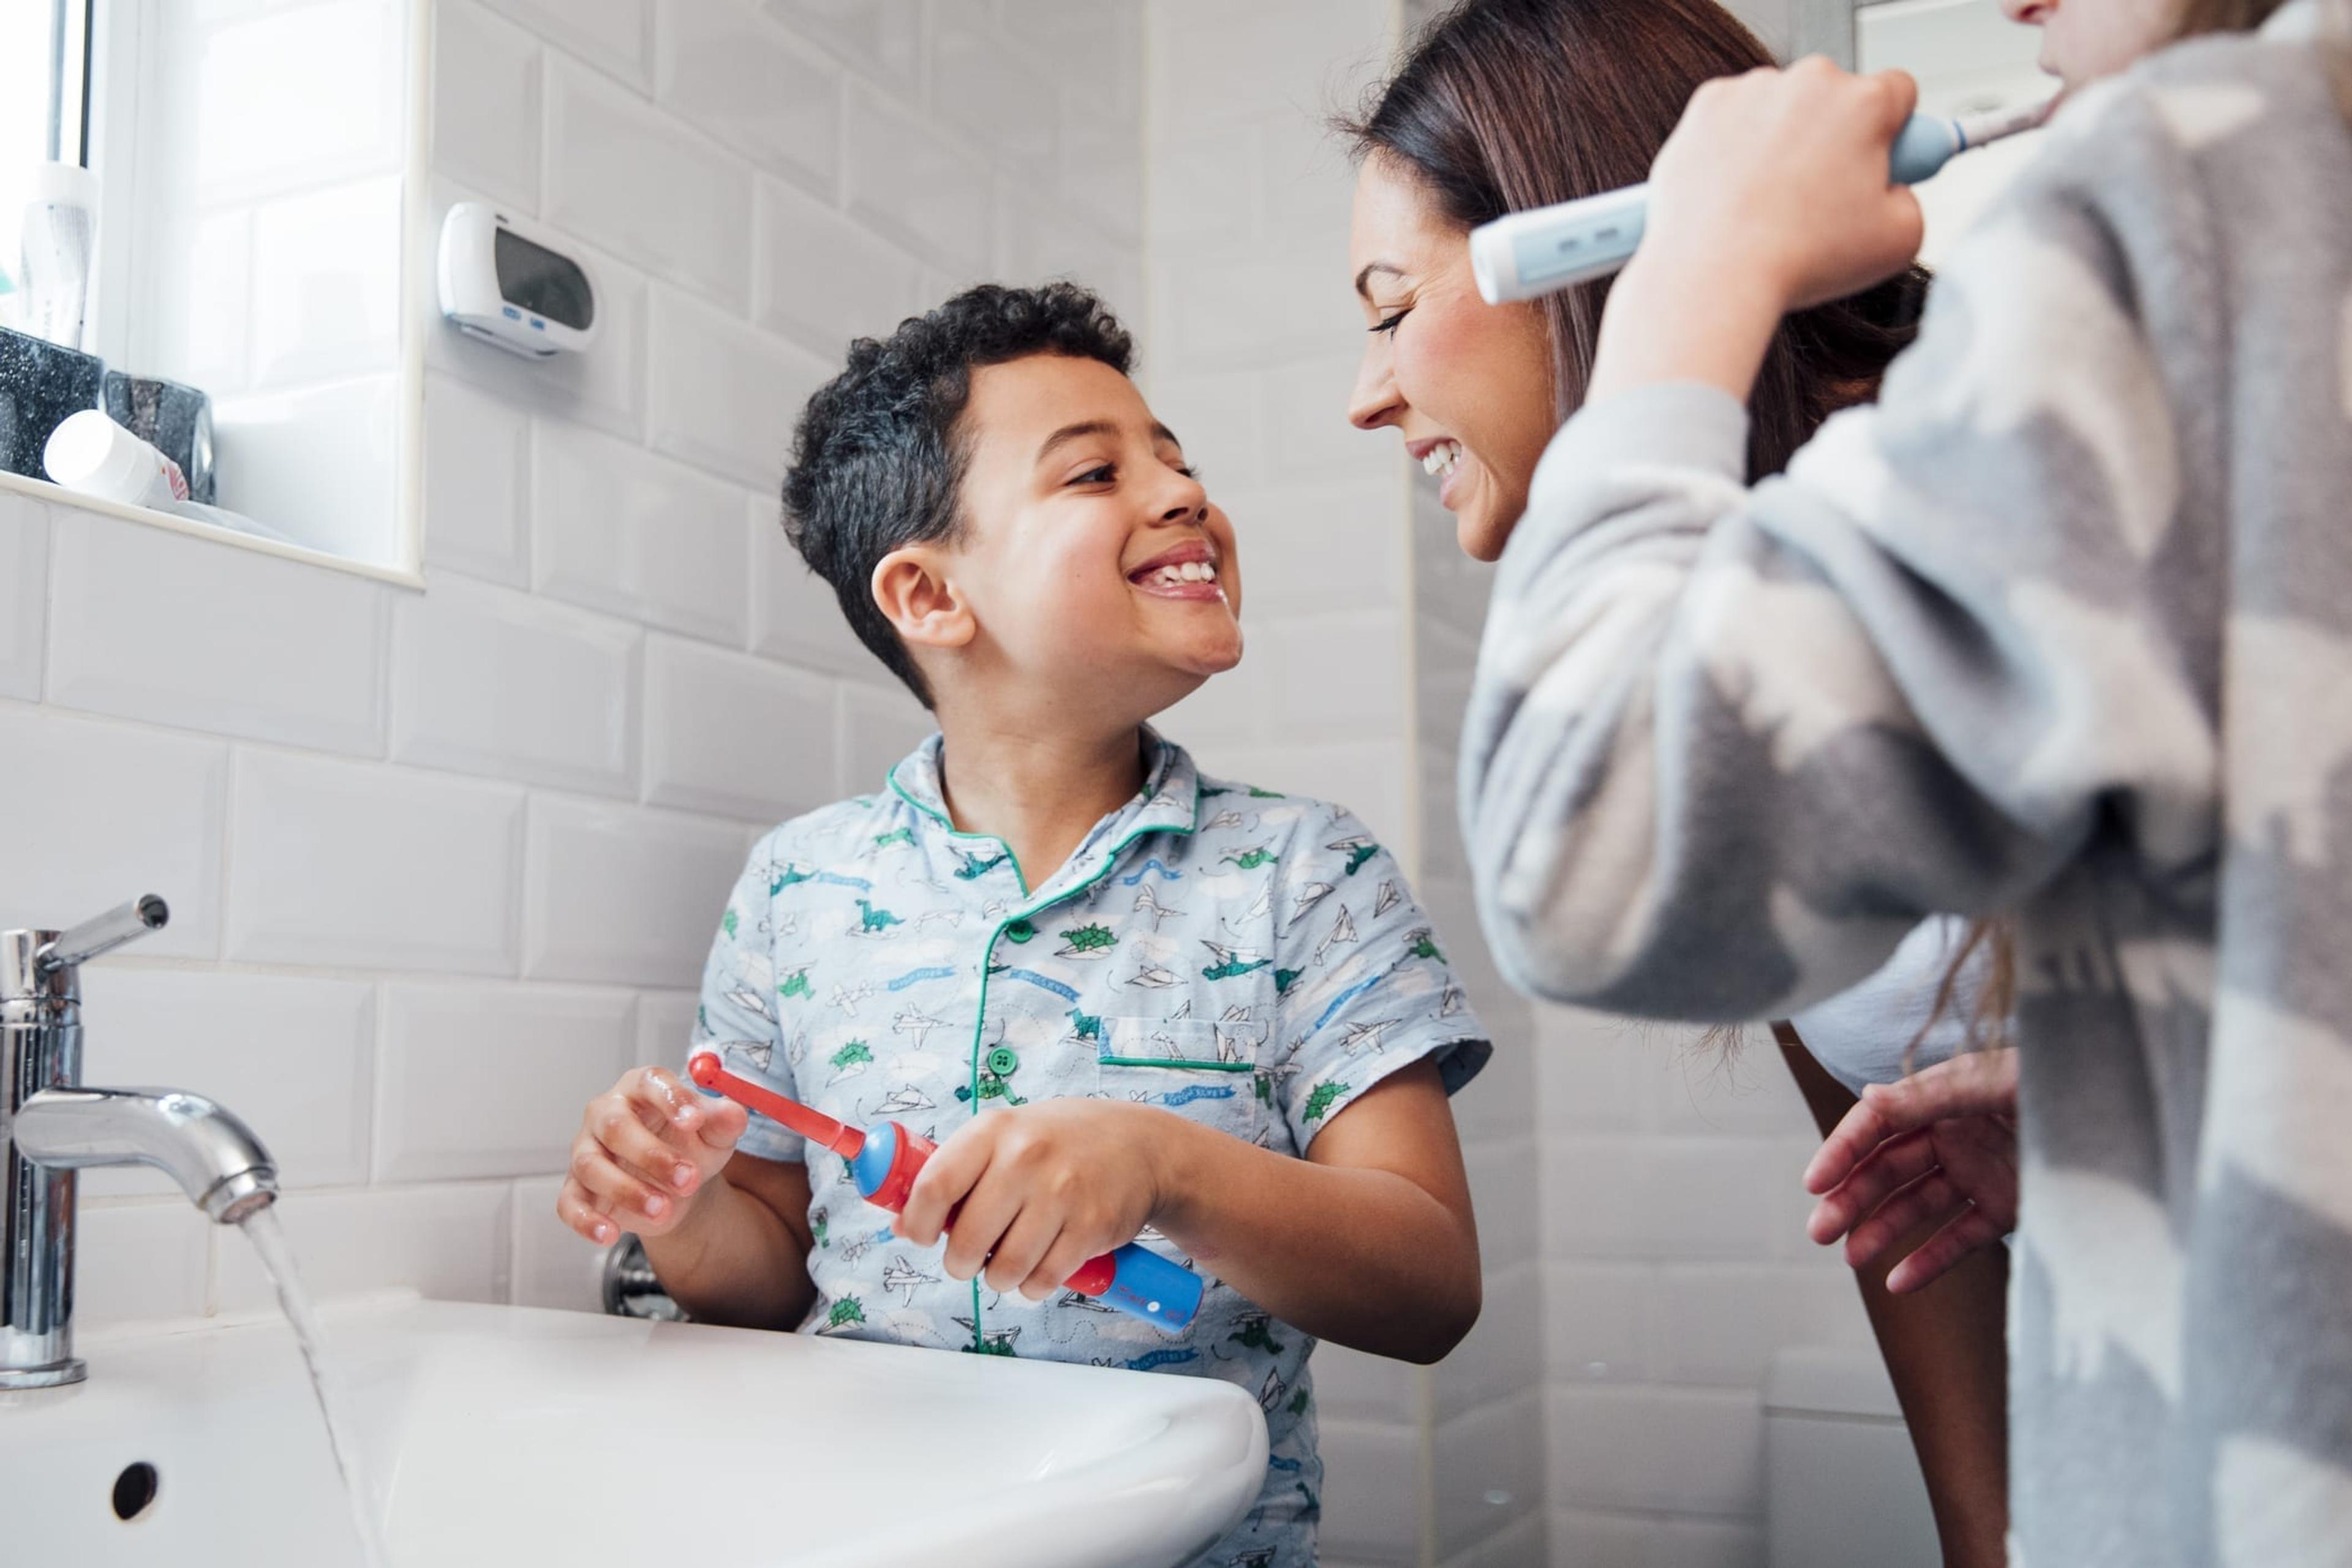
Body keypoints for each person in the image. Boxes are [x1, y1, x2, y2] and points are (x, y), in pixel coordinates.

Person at [1455, 0, 2352, 1557]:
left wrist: (1695, 273)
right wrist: (2134, 1093)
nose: (2023, 4)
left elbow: (1584, 849)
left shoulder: (2210, 174)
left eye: (1392, 306)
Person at [557, 282, 1491, 1568]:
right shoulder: (796, 888)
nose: (1178, 493)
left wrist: (1166, 1165)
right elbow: (769, 1274)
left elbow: (1432, 1286)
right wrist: (681, 1207)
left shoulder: (1304, 874)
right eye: (1096, 471)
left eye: (1177, 458)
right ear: (931, 596)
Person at [1341, 2, 2007, 1559]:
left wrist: (1689, 280)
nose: (1368, 393)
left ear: (1589, 244)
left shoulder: (1968, 482)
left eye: (1390, 308)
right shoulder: (1732, 618)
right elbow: (1912, 1205)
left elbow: (1572, 880)